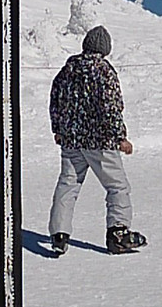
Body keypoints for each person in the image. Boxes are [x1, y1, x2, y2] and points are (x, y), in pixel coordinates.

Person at [47, 25, 147, 256]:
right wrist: (120, 137)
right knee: (117, 186)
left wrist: (59, 130)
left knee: (68, 185)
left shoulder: (67, 70)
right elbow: (110, 107)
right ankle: (118, 233)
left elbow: (55, 101)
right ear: (105, 49)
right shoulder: (103, 71)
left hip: (71, 141)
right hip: (100, 142)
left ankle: (59, 234)